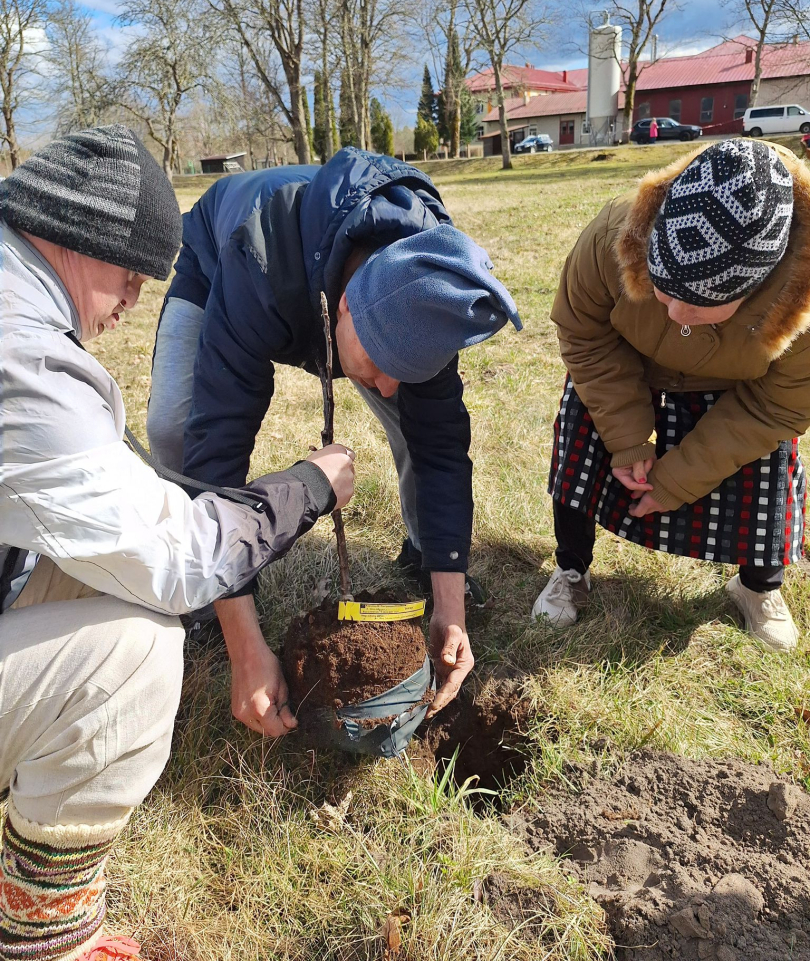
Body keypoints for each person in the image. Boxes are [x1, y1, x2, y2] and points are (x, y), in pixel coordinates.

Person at [0, 125, 356, 961]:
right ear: (73, 240)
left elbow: (118, 503)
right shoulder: (23, 363)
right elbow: (176, 561)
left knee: (94, 565)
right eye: (130, 276)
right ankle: (43, 935)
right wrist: (306, 487)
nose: (132, 303)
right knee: (137, 650)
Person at [146, 147, 522, 733]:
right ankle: (194, 582)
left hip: (330, 293)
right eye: (377, 364)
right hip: (220, 260)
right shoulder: (257, 260)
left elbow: (443, 449)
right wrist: (246, 647)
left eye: (406, 369)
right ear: (346, 306)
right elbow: (219, 446)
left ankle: (425, 554)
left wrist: (451, 610)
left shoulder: (424, 288)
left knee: (415, 424)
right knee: (174, 424)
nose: (388, 385)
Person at [534, 138, 807, 653]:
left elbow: (779, 406)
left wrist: (676, 480)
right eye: (663, 290)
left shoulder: (802, 298)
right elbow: (584, 333)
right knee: (579, 429)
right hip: (628, 366)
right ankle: (571, 569)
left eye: (702, 304)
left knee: (771, 460)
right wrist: (630, 439)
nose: (677, 315)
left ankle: (758, 586)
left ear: (755, 288)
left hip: (739, 390)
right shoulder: (617, 232)